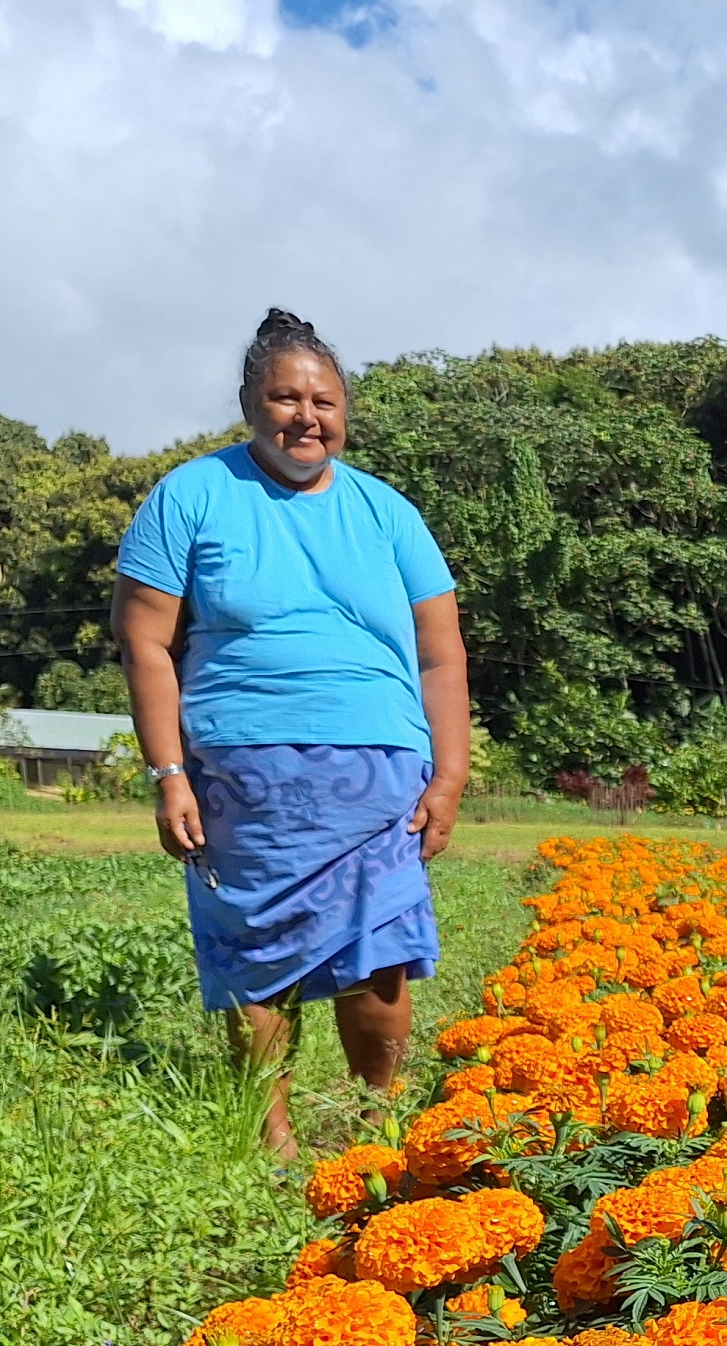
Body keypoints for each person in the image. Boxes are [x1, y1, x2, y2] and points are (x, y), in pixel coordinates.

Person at [113, 307, 470, 1159]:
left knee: (381, 945)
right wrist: (169, 773)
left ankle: (371, 1124)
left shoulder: (388, 512)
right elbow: (144, 641)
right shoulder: (191, 495)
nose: (305, 416)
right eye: (284, 397)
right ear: (249, 404)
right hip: (243, 768)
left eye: (325, 401)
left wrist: (449, 775)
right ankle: (268, 1136)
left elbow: (441, 655)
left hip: (379, 765)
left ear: (344, 412)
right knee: (254, 946)